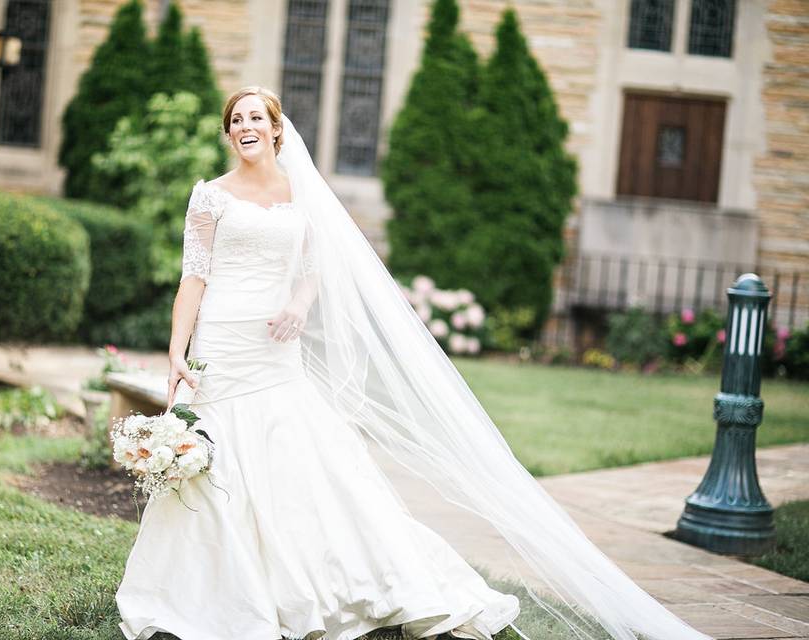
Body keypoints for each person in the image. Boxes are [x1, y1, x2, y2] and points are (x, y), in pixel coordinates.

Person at [115, 86, 714, 640]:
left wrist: (299, 303)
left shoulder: (304, 194)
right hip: (223, 342)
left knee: (299, 455)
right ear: (229, 135)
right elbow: (193, 278)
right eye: (236, 120)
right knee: (223, 456)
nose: (245, 127)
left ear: (276, 130)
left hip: (277, 349)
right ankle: (219, 588)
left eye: (256, 118)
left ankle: (321, 578)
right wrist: (176, 351)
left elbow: (316, 262)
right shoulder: (210, 196)